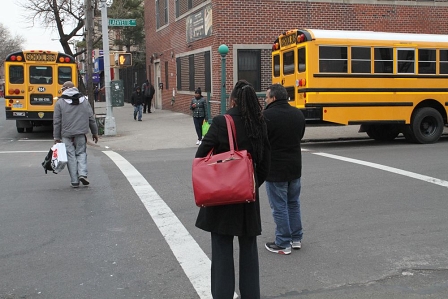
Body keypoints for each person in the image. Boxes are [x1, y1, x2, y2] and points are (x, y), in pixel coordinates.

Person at [195, 80, 271, 298]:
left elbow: (200, 157)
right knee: (248, 249)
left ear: (233, 100)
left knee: (221, 250)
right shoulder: (259, 123)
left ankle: (222, 294)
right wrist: (250, 185)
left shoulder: (221, 122)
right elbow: (265, 164)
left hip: (222, 198)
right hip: (248, 197)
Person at [262, 83, 306, 255]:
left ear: (273, 98)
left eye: (266, 97)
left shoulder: (266, 116)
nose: (265, 100)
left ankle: (283, 242)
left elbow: (262, 142)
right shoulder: (297, 114)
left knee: (279, 206)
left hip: (275, 169)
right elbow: (299, 136)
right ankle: (296, 238)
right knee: (293, 203)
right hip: (295, 166)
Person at [53, 81, 99, 188]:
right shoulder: (84, 101)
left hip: (66, 134)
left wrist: (57, 137)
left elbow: (57, 121)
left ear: (65, 89)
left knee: (70, 156)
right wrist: (94, 132)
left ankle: (74, 181)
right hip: (80, 133)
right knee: (81, 153)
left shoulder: (60, 102)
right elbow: (91, 118)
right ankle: (82, 174)